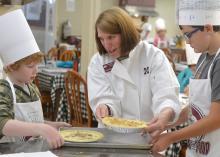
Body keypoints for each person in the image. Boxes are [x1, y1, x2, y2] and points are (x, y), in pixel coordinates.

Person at [87, 7, 180, 139]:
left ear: (125, 33)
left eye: (111, 37)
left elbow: (166, 95)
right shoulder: (98, 62)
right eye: (101, 39)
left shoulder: (153, 56)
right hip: (112, 137)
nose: (106, 45)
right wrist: (105, 107)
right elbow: (103, 98)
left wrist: (165, 113)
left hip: (149, 134)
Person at [152, 1, 220, 156]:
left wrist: (172, 136)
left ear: (208, 27)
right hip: (198, 150)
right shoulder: (204, 57)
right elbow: (195, 107)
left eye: (188, 35)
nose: (187, 42)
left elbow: (216, 118)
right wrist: (165, 124)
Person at [0, 9, 70, 148]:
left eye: (37, 65)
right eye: (30, 66)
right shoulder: (4, 89)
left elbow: (31, 122)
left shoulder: (31, 87)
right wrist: (41, 129)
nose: (36, 71)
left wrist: (50, 125)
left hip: (33, 150)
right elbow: (3, 124)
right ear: (12, 66)